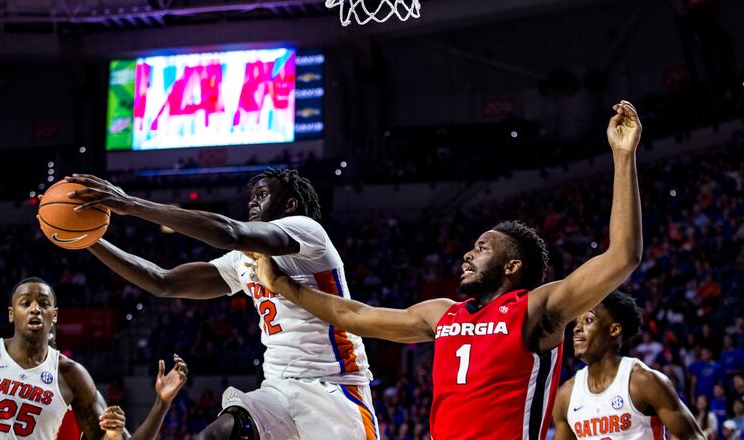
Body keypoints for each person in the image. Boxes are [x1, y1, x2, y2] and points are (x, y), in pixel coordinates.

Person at [246, 100, 644, 439]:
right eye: (472, 247)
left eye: (483, 248)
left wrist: (623, 157)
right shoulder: (442, 313)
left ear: (513, 266)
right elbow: (353, 316)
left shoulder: (537, 308)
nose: (468, 255)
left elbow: (622, 256)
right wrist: (281, 284)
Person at [65, 169, 377, 440]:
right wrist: (87, 239)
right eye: (251, 196)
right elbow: (163, 282)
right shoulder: (243, 260)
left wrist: (130, 204)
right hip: (278, 390)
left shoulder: (307, 233)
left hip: (334, 390)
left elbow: (229, 232)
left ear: (290, 205)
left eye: (263, 194)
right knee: (213, 435)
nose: (252, 201)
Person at [0, 277, 188, 439]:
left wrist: (161, 403)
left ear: (54, 316)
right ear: (11, 313)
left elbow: (114, 439)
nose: (35, 309)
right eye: (26, 303)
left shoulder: (71, 375)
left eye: (43, 304)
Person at [551, 290, 704, 439]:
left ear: (614, 330)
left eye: (588, 320)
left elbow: (691, 436)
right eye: (577, 322)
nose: (577, 328)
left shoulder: (643, 382)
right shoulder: (566, 395)